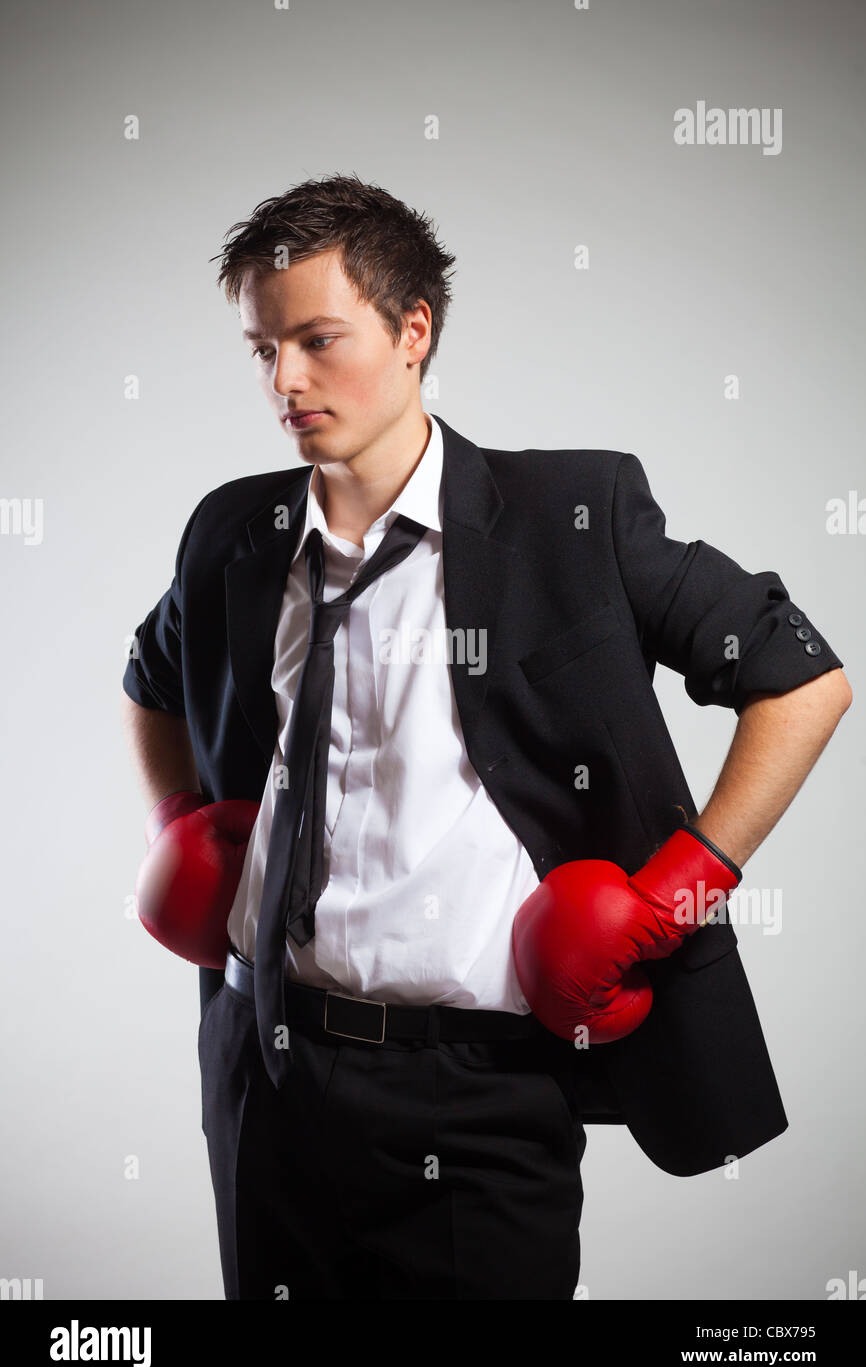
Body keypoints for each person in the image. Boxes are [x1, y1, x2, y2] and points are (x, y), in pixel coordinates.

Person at [120, 173, 852, 1301]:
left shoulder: (572, 518)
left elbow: (801, 678)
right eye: (262, 349)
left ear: (412, 331)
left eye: (317, 339)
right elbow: (147, 681)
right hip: (264, 1073)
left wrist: (678, 891)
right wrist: (182, 822)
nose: (286, 380)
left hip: (476, 1095)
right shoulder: (234, 530)